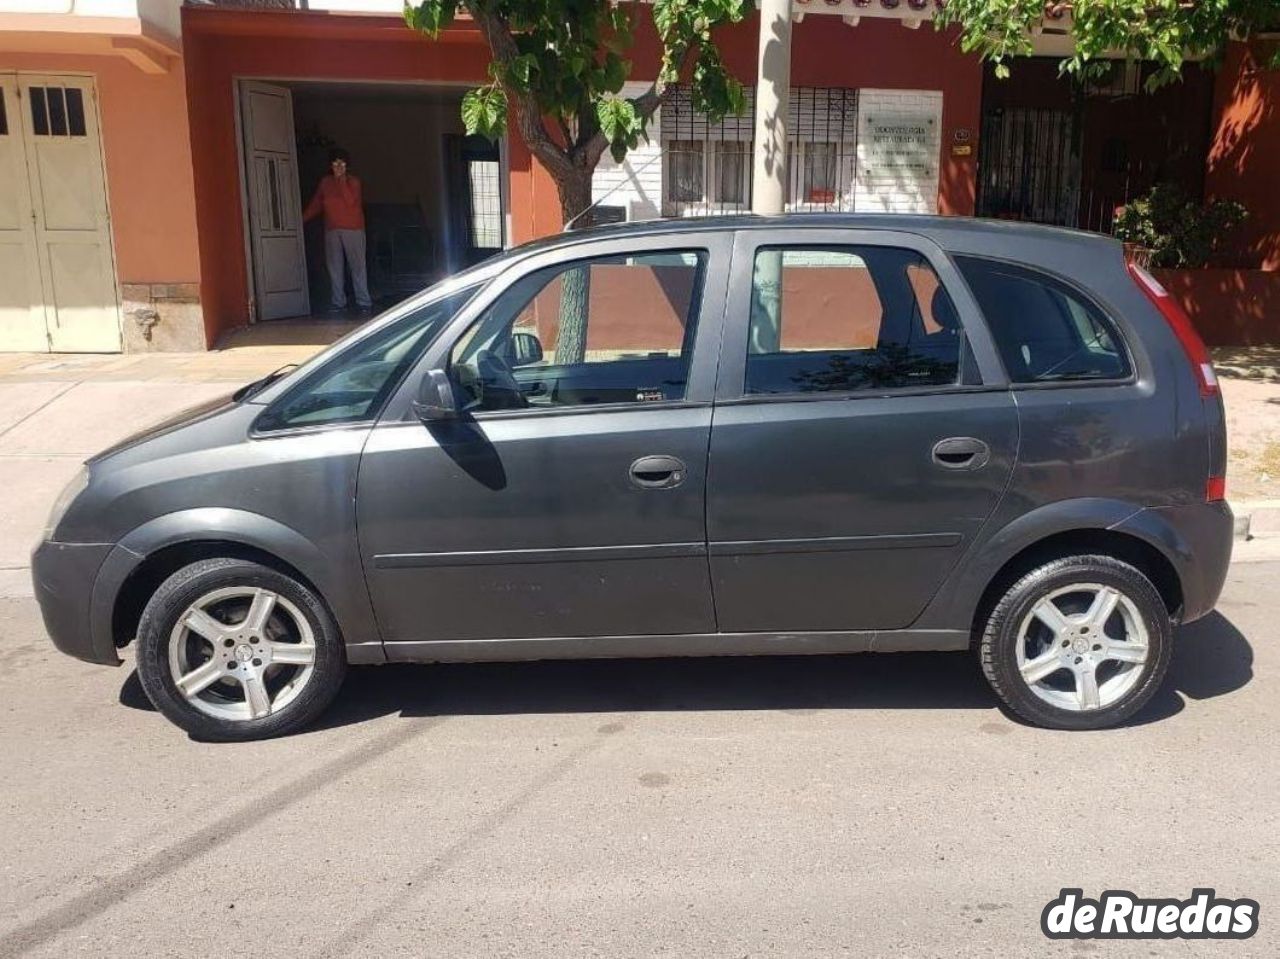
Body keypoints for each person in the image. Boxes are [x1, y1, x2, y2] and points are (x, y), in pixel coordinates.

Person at [302, 148, 372, 314]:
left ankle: (364, 302)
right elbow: (317, 204)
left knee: (357, 266)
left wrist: (341, 180)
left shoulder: (354, 182)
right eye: (335, 163)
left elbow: (349, 201)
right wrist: (302, 220)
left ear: (347, 165)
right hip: (332, 229)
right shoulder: (325, 183)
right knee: (334, 267)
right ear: (330, 164)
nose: (338, 166)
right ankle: (338, 302)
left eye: (342, 163)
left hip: (353, 229)